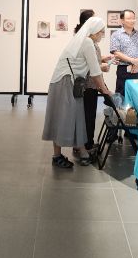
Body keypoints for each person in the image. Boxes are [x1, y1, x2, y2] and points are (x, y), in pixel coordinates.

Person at [42, 16, 113, 168]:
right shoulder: (87, 42)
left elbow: (90, 66)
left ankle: (82, 152)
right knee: (63, 118)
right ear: (94, 31)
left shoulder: (81, 40)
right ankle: (57, 156)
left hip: (68, 83)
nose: (102, 35)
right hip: (65, 83)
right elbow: (95, 72)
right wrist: (106, 91)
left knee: (78, 117)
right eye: (101, 32)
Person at [75, 9, 112, 152]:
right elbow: (91, 67)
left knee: (88, 115)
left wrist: (102, 59)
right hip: (89, 84)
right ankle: (86, 145)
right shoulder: (86, 40)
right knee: (88, 116)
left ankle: (84, 144)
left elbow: (91, 60)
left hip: (91, 83)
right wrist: (104, 87)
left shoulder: (85, 38)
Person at [109, 9, 138, 98]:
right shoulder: (116, 35)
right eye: (129, 18)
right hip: (124, 70)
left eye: (134, 18)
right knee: (122, 95)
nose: (132, 20)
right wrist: (132, 61)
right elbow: (116, 52)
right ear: (122, 20)